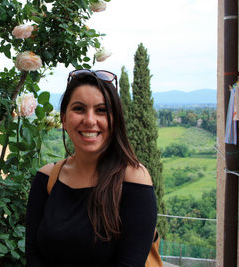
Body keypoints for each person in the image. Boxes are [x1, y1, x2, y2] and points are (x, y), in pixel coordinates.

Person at [25, 70, 158, 266]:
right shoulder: (47, 178)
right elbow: (33, 256)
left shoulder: (133, 180)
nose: (89, 120)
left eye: (101, 110)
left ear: (115, 121)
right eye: (79, 109)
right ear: (64, 119)